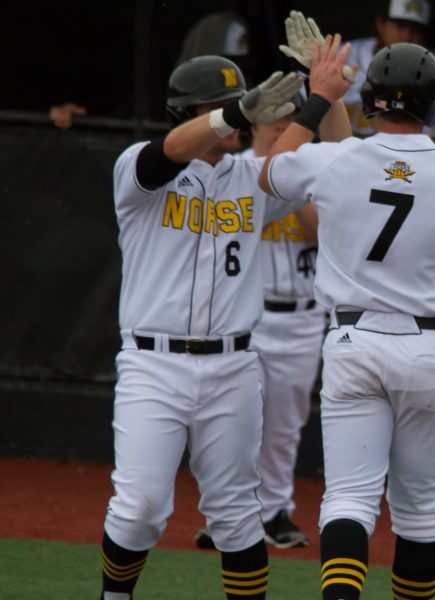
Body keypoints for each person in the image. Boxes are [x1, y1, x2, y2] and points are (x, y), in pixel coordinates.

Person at [259, 34, 435, 600]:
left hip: (352, 340)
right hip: (429, 347)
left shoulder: (337, 159)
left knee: (348, 499)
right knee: (420, 511)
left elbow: (270, 171)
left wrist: (320, 97)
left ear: (370, 98)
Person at [99, 56, 302, 599]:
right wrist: (237, 112)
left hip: (232, 365)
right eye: (220, 108)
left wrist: (325, 93)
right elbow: (164, 155)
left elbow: (333, 163)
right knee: (140, 507)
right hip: (152, 362)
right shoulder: (137, 169)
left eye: (238, 108)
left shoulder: (255, 177)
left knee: (237, 514)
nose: (237, 119)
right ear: (186, 112)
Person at [194, 96, 332, 550]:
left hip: (300, 318)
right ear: (254, 124)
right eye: (277, 120)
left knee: (284, 425)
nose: (284, 126)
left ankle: (273, 511)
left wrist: (292, 180)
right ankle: (225, 515)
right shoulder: (232, 175)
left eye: (293, 120)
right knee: (234, 422)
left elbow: (320, 232)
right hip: (246, 319)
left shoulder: (305, 172)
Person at [341, 0, 435, 137]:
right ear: (380, 24)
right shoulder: (343, 56)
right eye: (400, 26)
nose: (407, 36)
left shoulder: (431, 70)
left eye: (415, 30)